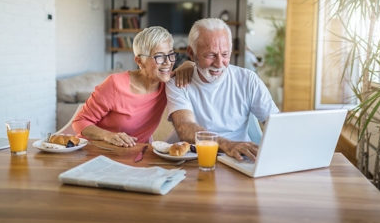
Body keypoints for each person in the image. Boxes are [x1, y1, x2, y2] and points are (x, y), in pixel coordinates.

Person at [166, 18, 279, 161]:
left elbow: (275, 123)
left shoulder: (248, 79)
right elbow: (185, 128)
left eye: (225, 54)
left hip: (240, 159)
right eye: (210, 55)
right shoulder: (179, 82)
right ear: (191, 53)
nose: (219, 63)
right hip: (197, 159)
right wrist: (227, 145)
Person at [72, 26, 193, 147]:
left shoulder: (168, 83)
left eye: (171, 54)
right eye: (159, 56)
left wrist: (190, 64)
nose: (168, 62)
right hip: (95, 149)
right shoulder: (115, 84)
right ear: (139, 61)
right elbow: (79, 121)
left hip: (131, 154)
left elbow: (197, 74)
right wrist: (107, 135)